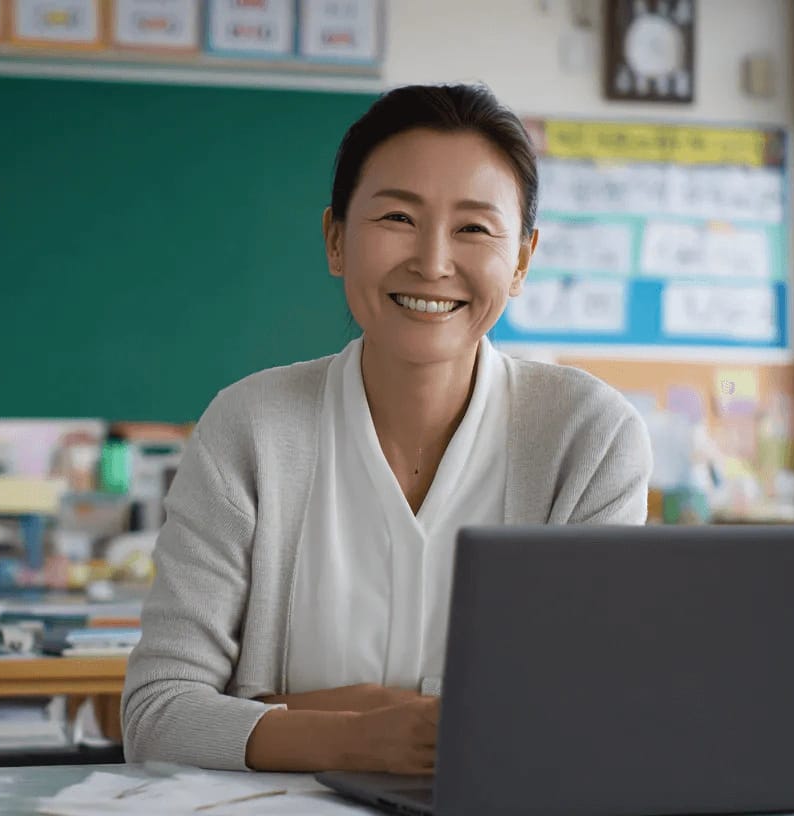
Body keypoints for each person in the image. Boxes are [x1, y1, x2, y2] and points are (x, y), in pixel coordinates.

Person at [121, 83, 652, 776]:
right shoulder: (250, 427)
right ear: (336, 239)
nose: (432, 262)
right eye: (398, 216)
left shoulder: (590, 436)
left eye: (473, 228)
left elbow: (585, 718)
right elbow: (158, 716)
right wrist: (361, 735)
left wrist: (273, 709)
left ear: (521, 261)